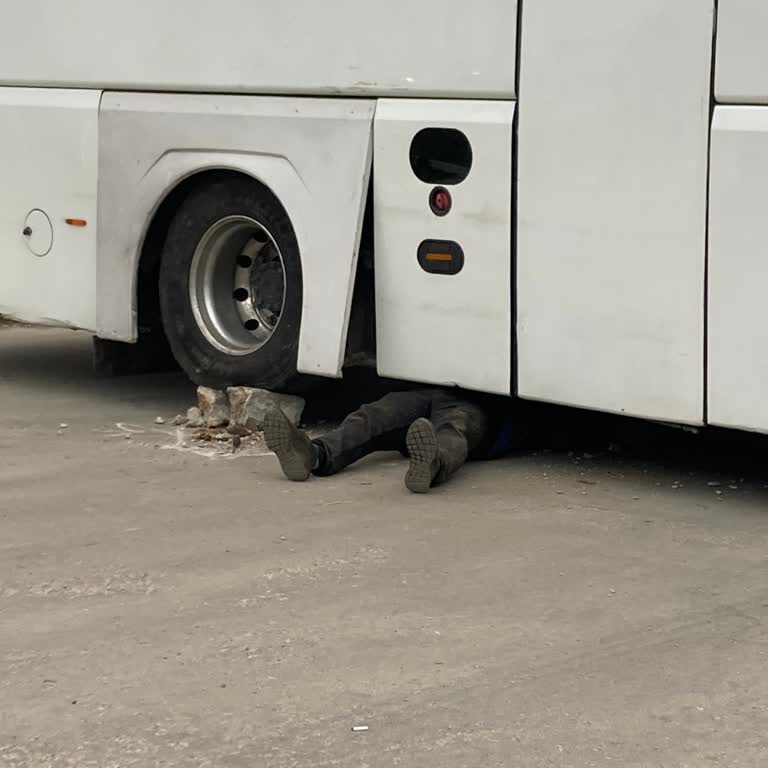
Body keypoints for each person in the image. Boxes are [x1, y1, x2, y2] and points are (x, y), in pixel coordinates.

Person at [263, 387, 529, 493]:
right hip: (434, 390)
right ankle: (312, 454)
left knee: (452, 428)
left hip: (488, 405)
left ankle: (432, 464)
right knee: (375, 415)